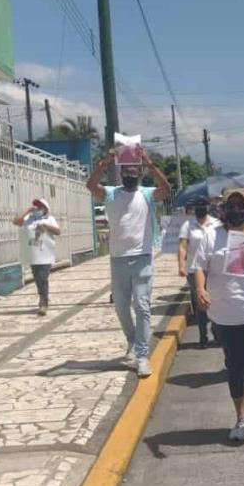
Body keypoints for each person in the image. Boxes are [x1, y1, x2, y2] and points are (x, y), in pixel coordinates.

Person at [192, 189, 244, 441]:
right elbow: (199, 266)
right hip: (223, 315)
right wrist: (199, 289)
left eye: (242, 204)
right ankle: (240, 418)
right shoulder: (211, 235)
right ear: (224, 209)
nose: (237, 209)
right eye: (233, 204)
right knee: (235, 368)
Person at [86, 146, 171, 378]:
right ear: (122, 173)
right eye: (128, 170)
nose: (132, 174)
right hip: (118, 259)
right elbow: (91, 187)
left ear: (140, 173)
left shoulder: (147, 194)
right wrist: (105, 163)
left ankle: (142, 355)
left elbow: (166, 188)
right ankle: (132, 341)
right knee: (121, 306)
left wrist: (149, 162)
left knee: (142, 306)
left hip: (142, 258)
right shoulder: (112, 193)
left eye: (136, 170)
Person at [178, 197, 221, 348]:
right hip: (194, 270)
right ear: (194, 207)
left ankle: (217, 333)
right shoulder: (187, 225)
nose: (201, 207)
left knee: (215, 302)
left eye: (204, 204)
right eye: (198, 205)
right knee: (201, 304)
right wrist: (181, 265)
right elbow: (183, 246)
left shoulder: (217, 223)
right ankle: (203, 336)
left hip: (214, 269)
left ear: (208, 206)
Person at [13, 198, 61, 316]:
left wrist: (46, 226)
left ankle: (43, 303)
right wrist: (28, 210)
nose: (38, 209)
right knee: (37, 278)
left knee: (42, 277)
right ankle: (43, 297)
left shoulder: (49, 219)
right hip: (34, 255)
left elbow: (58, 231)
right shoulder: (29, 219)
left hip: (46, 254)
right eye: (36, 207)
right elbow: (16, 221)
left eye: (40, 207)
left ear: (45, 208)